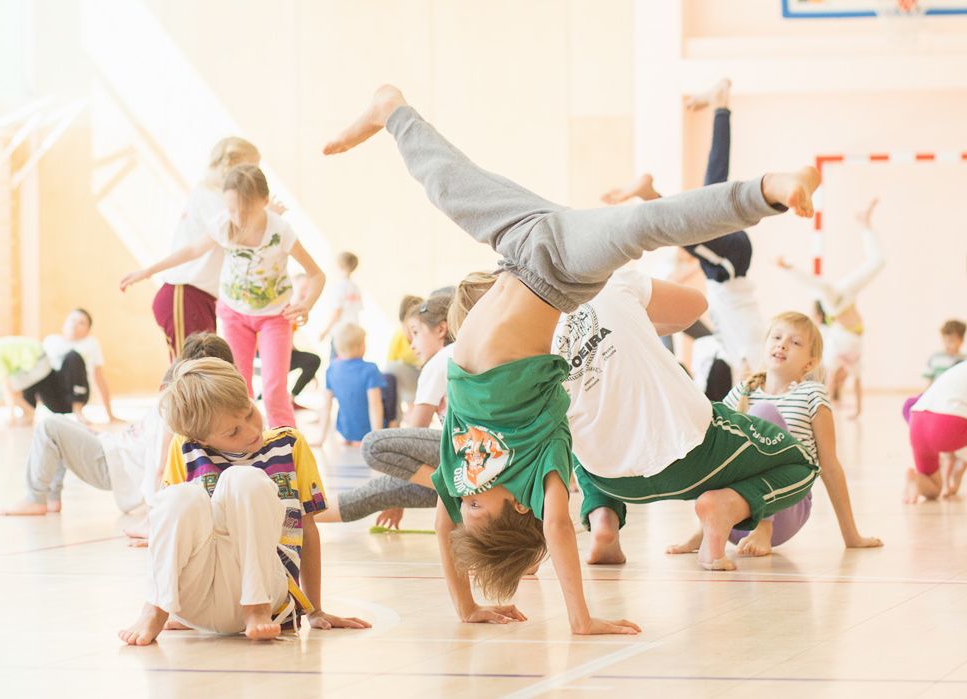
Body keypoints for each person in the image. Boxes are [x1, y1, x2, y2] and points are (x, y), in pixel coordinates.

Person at [323, 84, 819, 634]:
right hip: (558, 271)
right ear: (517, 508)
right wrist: (581, 619)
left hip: (515, 246)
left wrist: (465, 607)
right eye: (480, 510)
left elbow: (446, 530)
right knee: (645, 226)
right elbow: (558, 530)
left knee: (444, 184)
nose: (465, 503)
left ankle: (391, 110)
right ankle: (769, 191)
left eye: (466, 510)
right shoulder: (541, 474)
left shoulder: (461, 476)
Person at [118, 358, 371, 645]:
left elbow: (307, 529)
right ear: (201, 437)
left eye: (249, 413)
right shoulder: (184, 447)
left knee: (243, 479)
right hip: (197, 600)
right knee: (178, 496)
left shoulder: (290, 444)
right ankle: (156, 607)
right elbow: (171, 520)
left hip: (269, 591)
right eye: (232, 432)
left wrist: (315, 609)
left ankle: (255, 607)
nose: (250, 431)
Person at [121, 165, 325, 427]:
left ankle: (288, 454)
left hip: (274, 315)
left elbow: (317, 274)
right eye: (231, 209)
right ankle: (246, 451)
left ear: (264, 202)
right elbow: (193, 249)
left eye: (246, 210)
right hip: (234, 314)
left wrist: (306, 304)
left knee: (275, 392)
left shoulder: (280, 231)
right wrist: (148, 270)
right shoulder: (223, 224)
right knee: (239, 388)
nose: (238, 218)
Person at [666, 312, 882, 557]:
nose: (782, 344)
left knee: (764, 413)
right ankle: (706, 529)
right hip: (735, 520)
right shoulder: (743, 391)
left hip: (786, 511)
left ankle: (763, 524)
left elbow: (830, 466)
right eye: (777, 337)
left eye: (795, 342)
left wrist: (851, 536)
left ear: (809, 363)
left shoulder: (812, 395)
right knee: (718, 435)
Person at [602, 78, 765, 375]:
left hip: (729, 265)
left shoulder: (740, 346)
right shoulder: (751, 354)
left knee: (714, 185)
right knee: (685, 229)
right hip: (729, 267)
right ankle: (650, 194)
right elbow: (747, 369)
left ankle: (721, 104)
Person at [0, 333, 234, 518]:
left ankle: (36, 498)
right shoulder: (180, 400)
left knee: (50, 427)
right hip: (115, 448)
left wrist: (155, 513)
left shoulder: (177, 407)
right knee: (60, 427)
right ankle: (50, 497)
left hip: (114, 463)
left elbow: (161, 466)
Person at [315, 292, 461, 526]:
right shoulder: (458, 355)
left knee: (373, 445)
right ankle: (293, 518)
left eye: (415, 333)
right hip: (462, 464)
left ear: (441, 329)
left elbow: (414, 433)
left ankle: (288, 517)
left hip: (464, 463)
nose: (412, 344)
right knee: (382, 491)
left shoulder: (440, 361)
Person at [152, 138, 261, 359]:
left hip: (200, 297)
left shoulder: (215, 196)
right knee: (189, 370)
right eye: (251, 168)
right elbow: (236, 235)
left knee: (200, 370)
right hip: (185, 293)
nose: (254, 176)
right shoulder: (211, 196)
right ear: (232, 164)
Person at [779, 198, 884, 417]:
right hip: (843, 303)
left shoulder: (834, 355)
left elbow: (828, 382)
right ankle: (864, 222)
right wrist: (856, 411)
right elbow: (854, 384)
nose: (840, 380)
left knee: (827, 285)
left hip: (837, 301)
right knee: (876, 263)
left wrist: (790, 269)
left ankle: (865, 223)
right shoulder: (852, 361)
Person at [0, 336, 89, 426]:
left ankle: (29, 412)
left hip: (39, 361)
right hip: (33, 359)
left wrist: (11, 415)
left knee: (0, 389)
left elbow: (7, 387)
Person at [904, 360, 967, 503]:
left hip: (917, 421)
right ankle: (960, 463)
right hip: (946, 423)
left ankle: (916, 480)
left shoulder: (956, 371)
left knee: (934, 489)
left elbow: (908, 404)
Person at [43, 308, 118, 423]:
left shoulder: (91, 344)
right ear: (64, 323)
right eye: (72, 320)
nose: (75, 325)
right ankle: (27, 411)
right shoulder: (51, 341)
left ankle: (78, 412)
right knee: (35, 363)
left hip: (78, 393)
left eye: (81, 323)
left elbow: (98, 378)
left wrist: (110, 415)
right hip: (54, 397)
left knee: (73, 356)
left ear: (88, 330)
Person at [316, 323, 385, 446]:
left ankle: (351, 439)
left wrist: (321, 438)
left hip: (345, 431)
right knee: (391, 382)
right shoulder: (370, 369)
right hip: (368, 432)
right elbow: (375, 405)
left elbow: (326, 405)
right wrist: (375, 438)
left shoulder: (331, 369)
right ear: (361, 347)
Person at [383, 295, 423, 418]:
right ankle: (398, 416)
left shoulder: (425, 334)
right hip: (411, 380)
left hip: (424, 374)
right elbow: (389, 366)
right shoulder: (399, 336)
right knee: (392, 369)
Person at [318, 251, 363, 353]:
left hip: (340, 333)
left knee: (336, 364)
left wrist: (325, 332)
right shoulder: (356, 288)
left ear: (339, 265)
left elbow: (337, 312)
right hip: (354, 331)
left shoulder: (339, 288)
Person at [924, 319, 966, 384]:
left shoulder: (964, 360)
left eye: (951, 341)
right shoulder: (935, 358)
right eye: (945, 340)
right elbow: (929, 382)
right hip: (937, 392)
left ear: (961, 341)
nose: (947, 344)